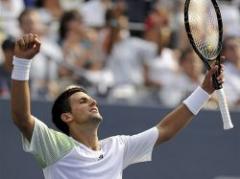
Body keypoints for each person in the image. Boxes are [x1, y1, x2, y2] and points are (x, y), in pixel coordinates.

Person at [11, 33, 224, 179]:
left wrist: (204, 90)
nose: (93, 102)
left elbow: (165, 130)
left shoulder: (117, 146)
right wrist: (21, 63)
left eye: (91, 98)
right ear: (67, 117)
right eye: (83, 101)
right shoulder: (55, 146)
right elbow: (22, 118)